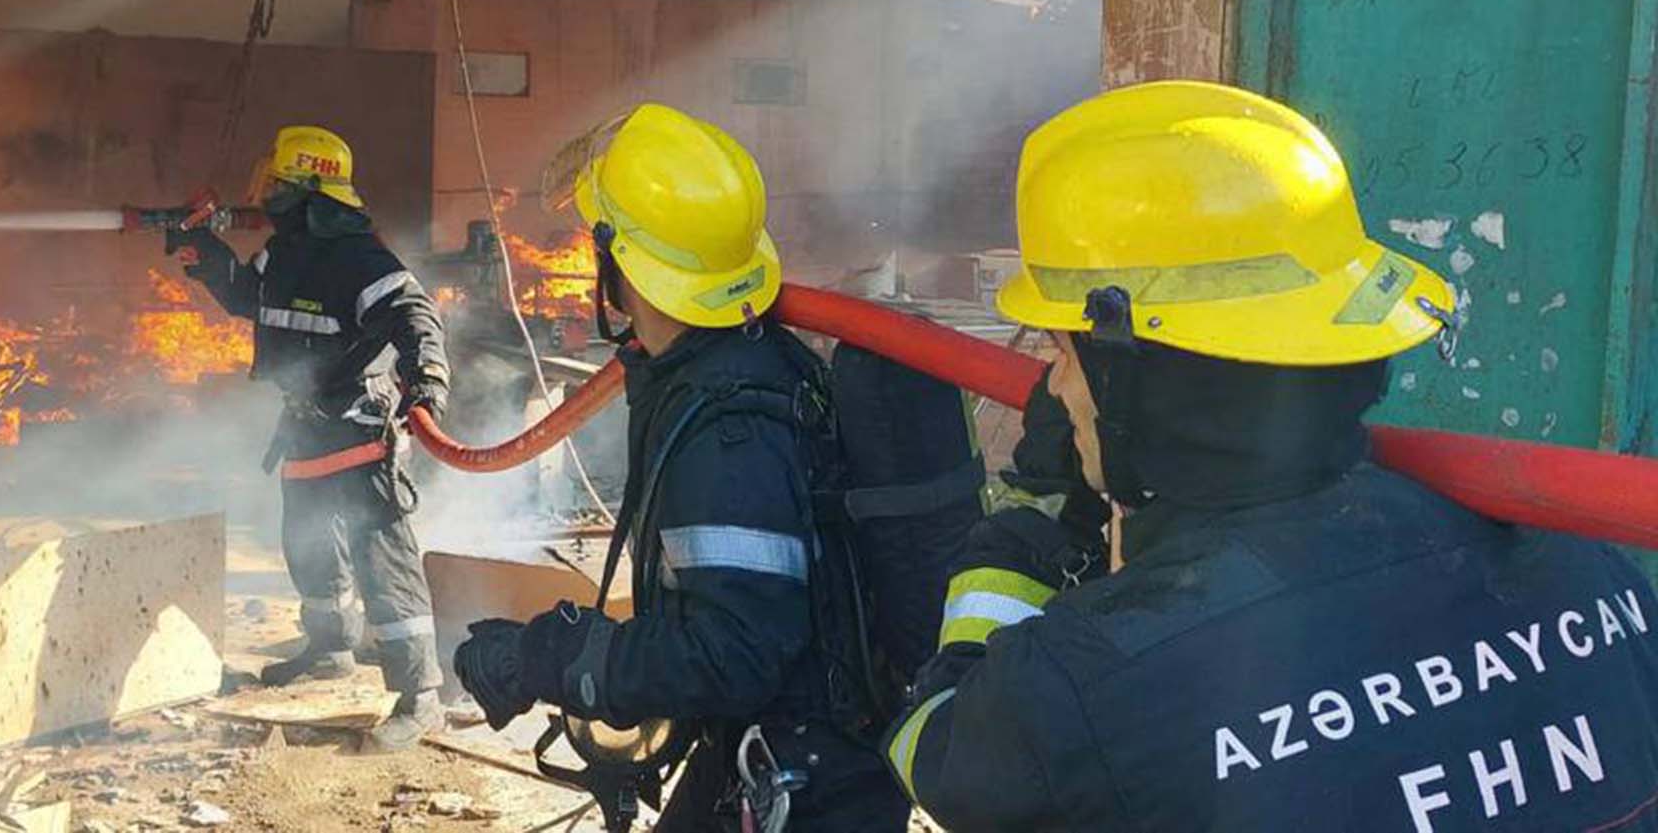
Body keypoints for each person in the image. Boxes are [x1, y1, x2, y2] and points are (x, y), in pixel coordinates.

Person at [885, 80, 1658, 831]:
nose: (1054, 383)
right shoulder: (1589, 569)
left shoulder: (1086, 682)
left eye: (1063, 352)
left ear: (1131, 380)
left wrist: (1037, 514)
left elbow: (938, 754)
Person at [450, 103, 908, 832]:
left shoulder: (727, 434)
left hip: (805, 784)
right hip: (774, 752)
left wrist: (548, 656)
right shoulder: (732, 365)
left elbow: (734, 653)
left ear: (617, 264)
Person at [180, 125, 451, 751]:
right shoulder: (284, 254)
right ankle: (330, 650)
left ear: (308, 191)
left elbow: (416, 317)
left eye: (278, 184)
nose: (266, 194)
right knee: (306, 543)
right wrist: (204, 249)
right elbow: (247, 297)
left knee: (381, 559)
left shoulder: (362, 260)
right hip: (303, 425)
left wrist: (427, 380)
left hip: (358, 426)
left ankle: (421, 698)